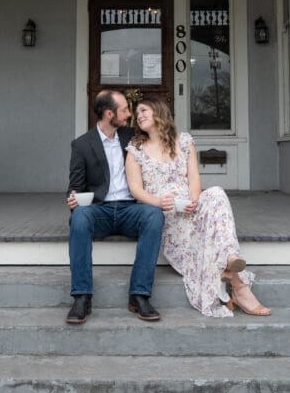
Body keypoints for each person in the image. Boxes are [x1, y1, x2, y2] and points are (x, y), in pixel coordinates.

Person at [125, 94, 271, 319]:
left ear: (159, 111)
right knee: (199, 224)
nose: (139, 116)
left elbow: (194, 178)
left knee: (216, 193)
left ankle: (230, 258)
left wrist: (193, 202)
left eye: (144, 110)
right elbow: (135, 188)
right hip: (164, 214)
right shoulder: (136, 148)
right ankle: (239, 285)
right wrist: (159, 203)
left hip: (191, 207)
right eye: (137, 113)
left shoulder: (183, 141)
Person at [66, 88, 165, 325]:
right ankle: (81, 296)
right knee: (78, 217)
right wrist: (73, 198)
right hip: (99, 210)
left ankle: (139, 294)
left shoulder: (133, 136)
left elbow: (162, 137)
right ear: (109, 114)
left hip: (131, 209)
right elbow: (75, 186)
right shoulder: (82, 144)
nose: (129, 114)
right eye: (124, 110)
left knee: (153, 214)